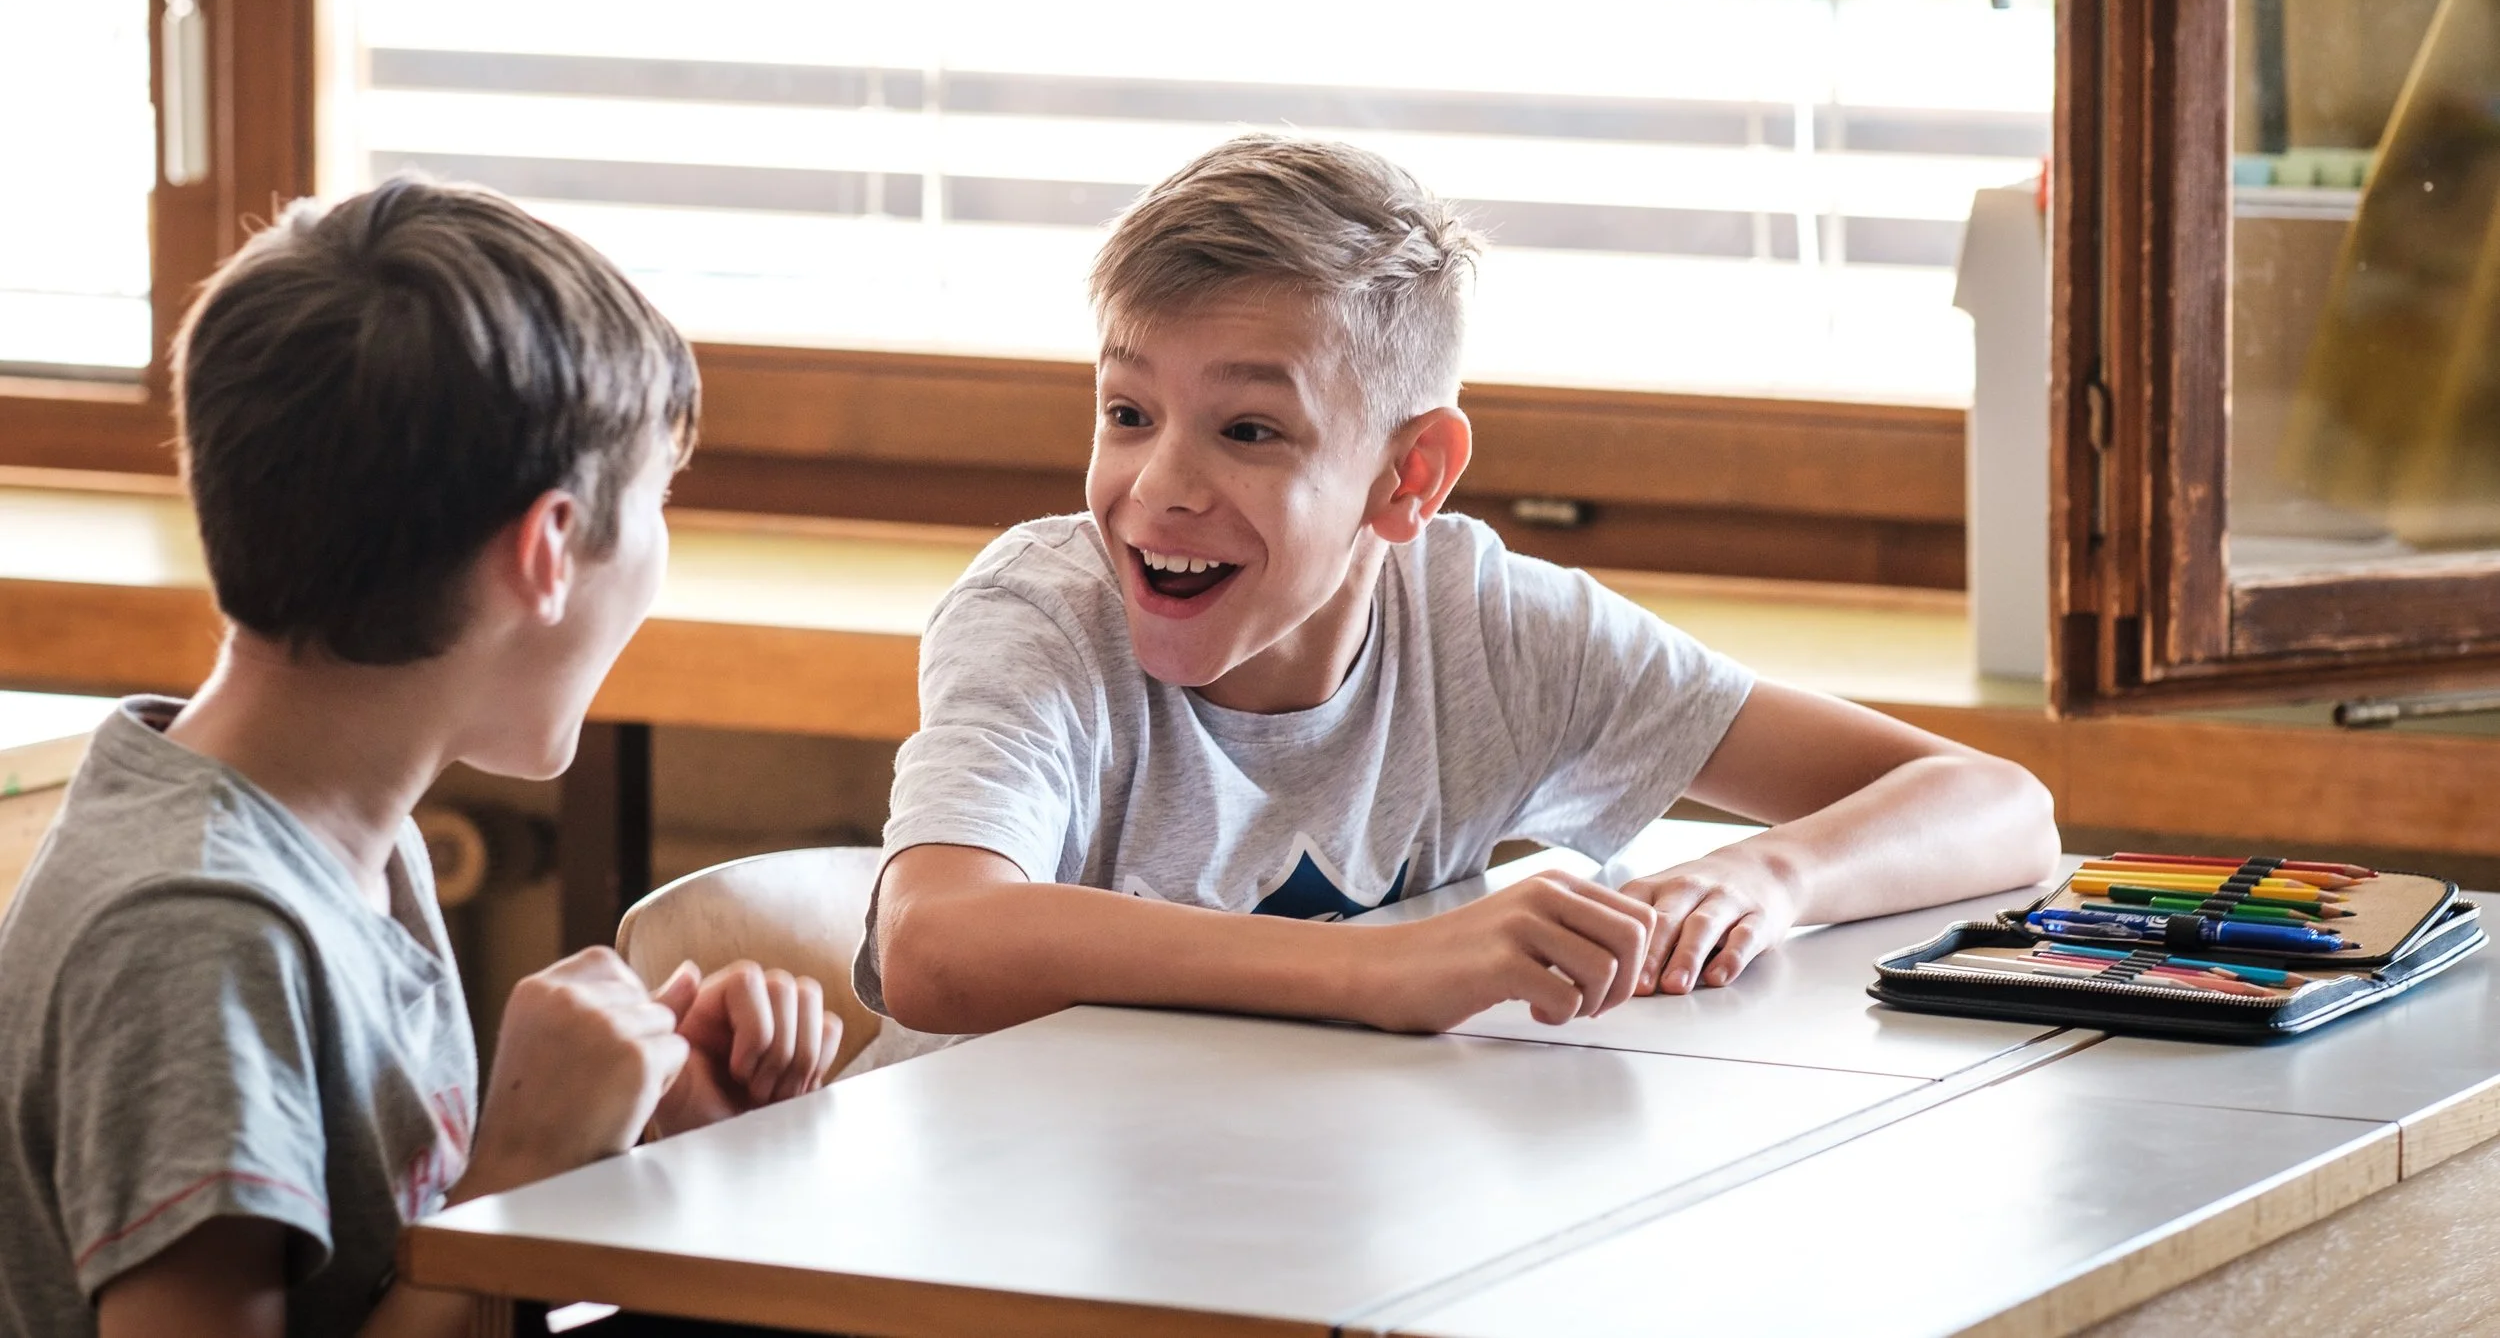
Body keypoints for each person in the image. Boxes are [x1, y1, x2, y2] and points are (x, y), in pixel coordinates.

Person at [865, 133, 2059, 1039]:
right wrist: (1391, 965)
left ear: (1408, 475)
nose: (1158, 484)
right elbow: (934, 939)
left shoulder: (1484, 627)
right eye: (1127, 412)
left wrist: (1764, 874)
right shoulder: (1041, 616)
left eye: (1248, 429)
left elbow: (1997, 804)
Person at [0, 179, 837, 1338]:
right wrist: (521, 1174)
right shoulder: (197, 935)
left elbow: (382, 1285)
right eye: (656, 497)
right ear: (547, 549)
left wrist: (625, 1138)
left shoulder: (337, 826)